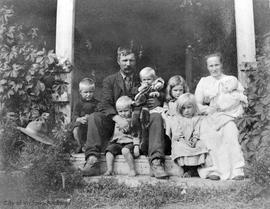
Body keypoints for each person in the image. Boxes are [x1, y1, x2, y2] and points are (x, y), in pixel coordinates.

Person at [82, 46, 168, 179]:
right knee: (95, 117)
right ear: (118, 61)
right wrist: (118, 119)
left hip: (139, 121)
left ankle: (156, 161)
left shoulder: (143, 78)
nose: (128, 64)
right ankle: (93, 160)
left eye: (131, 60)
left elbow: (158, 90)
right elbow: (104, 104)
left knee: (156, 116)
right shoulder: (110, 81)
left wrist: (158, 99)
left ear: (135, 62)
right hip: (115, 124)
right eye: (125, 60)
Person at [195, 52, 245, 180]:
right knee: (210, 136)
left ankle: (237, 170)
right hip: (209, 116)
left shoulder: (231, 80)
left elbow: (238, 98)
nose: (214, 68)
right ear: (207, 67)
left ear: (222, 65)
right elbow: (197, 103)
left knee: (230, 132)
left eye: (216, 65)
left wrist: (225, 108)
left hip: (228, 115)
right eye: (211, 66)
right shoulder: (204, 82)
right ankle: (215, 170)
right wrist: (209, 109)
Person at [166, 93, 210, 177]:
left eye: (189, 107)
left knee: (201, 145)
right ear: (179, 109)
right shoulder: (177, 119)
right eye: (183, 108)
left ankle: (194, 169)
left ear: (194, 107)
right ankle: (187, 169)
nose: (186, 111)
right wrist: (184, 140)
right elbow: (177, 132)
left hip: (193, 140)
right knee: (180, 146)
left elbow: (197, 130)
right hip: (181, 139)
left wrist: (195, 139)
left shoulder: (197, 118)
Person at [104, 96, 140, 177]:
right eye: (120, 111)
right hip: (118, 142)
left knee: (125, 151)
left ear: (131, 109)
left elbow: (136, 133)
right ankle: (110, 169)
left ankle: (132, 169)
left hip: (129, 142)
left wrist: (136, 146)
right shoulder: (117, 119)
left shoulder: (133, 120)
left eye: (126, 111)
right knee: (109, 151)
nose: (123, 113)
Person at [70, 78, 98, 153]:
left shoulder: (96, 103)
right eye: (85, 92)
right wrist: (79, 119)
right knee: (76, 130)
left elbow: (98, 114)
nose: (88, 94)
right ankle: (80, 145)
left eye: (91, 92)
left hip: (92, 125)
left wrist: (91, 117)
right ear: (80, 92)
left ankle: (90, 146)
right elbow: (74, 115)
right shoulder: (78, 103)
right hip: (81, 124)